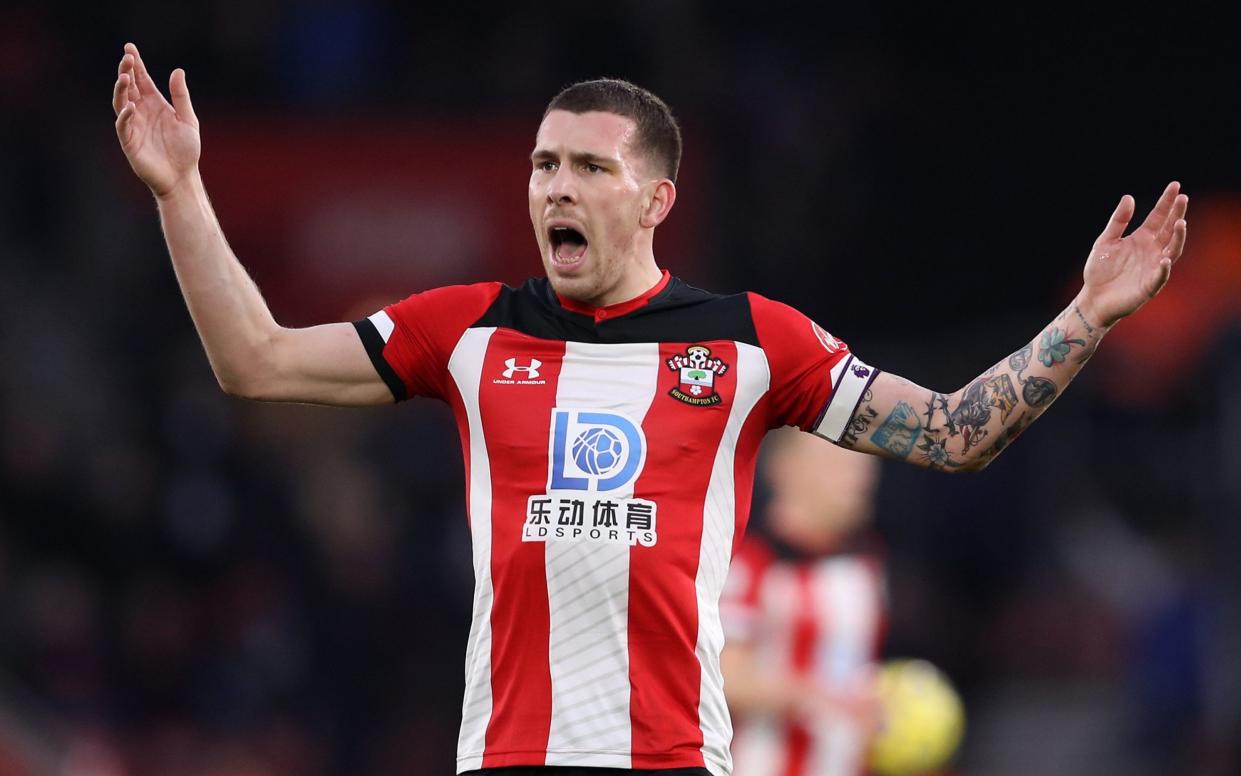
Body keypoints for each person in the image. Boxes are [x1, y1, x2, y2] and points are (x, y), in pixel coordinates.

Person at [111, 39, 1188, 776]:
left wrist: (1088, 315)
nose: (555, 189)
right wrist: (181, 191)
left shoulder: (752, 339)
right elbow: (254, 360)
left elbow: (956, 432)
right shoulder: (470, 329)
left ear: (656, 199)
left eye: (588, 166)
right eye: (542, 165)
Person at [721, 429, 885, 776]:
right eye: (839, 461)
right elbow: (722, 675)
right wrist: (813, 697)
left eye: (863, 464)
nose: (859, 477)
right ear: (785, 468)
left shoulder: (866, 566)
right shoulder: (747, 563)